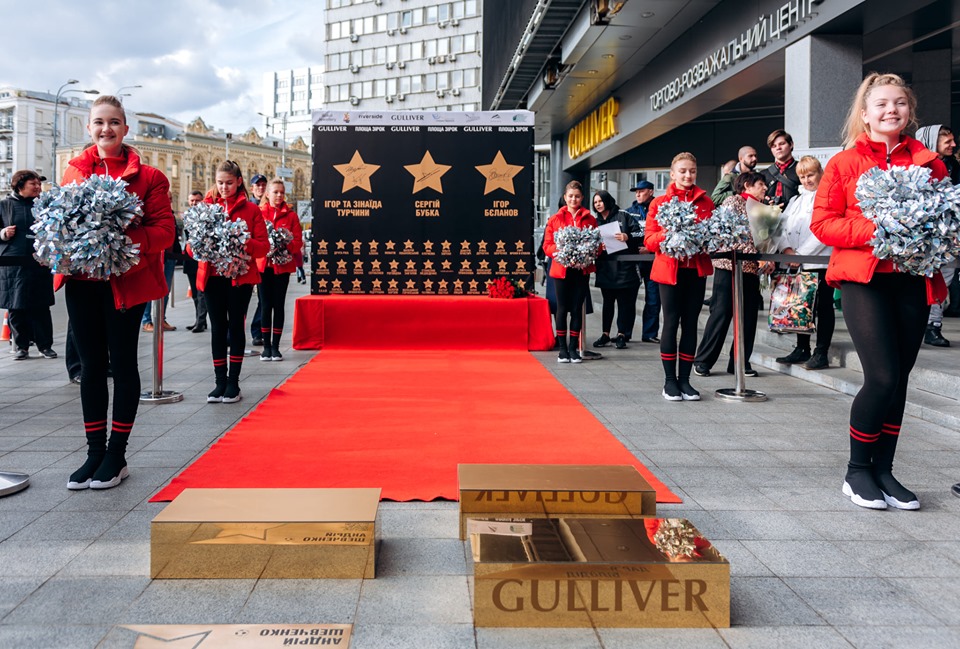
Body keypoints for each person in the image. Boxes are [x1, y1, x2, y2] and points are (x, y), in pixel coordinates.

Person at [811, 72, 948, 511]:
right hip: (863, 279)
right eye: (883, 104)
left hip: (912, 278)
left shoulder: (930, 162)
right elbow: (823, 223)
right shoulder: (844, 163)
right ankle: (857, 471)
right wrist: (880, 227)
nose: (892, 110)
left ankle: (885, 469)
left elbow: (946, 220)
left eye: (901, 103)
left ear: (910, 110)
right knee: (882, 376)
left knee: (900, 381)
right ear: (865, 114)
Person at [60, 95, 175, 490]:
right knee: (91, 367)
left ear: (126, 129)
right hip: (82, 284)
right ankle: (94, 452)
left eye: (114, 122)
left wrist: (121, 237)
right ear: (88, 128)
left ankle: (117, 454)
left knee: (123, 365)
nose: (105, 128)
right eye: (98, 122)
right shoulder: (72, 172)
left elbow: (164, 232)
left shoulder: (151, 177)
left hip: (126, 283)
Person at [645, 152, 714, 401]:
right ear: (672, 174)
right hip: (669, 272)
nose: (688, 175)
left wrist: (707, 241)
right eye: (683, 171)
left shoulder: (706, 202)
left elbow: (712, 236)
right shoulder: (659, 203)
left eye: (692, 171)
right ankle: (669, 382)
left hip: (695, 271)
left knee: (690, 325)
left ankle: (685, 381)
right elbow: (650, 240)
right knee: (671, 323)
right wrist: (672, 234)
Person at [198, 161, 269, 404]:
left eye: (229, 182)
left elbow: (263, 247)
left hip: (240, 279)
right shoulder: (208, 206)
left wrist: (242, 241)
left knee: (235, 327)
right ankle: (219, 382)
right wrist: (197, 245)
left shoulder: (251, 210)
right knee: (217, 328)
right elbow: (192, 244)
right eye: (220, 183)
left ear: (239, 181)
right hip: (213, 277)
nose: (224, 187)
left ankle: (233, 383)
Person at [694, 172, 770, 379]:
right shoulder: (733, 201)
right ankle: (703, 360)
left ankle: (739, 362)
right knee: (721, 314)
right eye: (761, 184)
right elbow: (725, 233)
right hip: (728, 266)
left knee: (748, 318)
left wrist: (769, 257)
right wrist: (755, 252)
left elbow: (768, 240)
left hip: (751, 269)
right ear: (747, 185)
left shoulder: (765, 210)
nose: (765, 188)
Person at [776, 156, 834, 370]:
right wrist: (787, 250)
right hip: (795, 261)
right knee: (800, 305)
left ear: (820, 173)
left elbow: (824, 230)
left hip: (818, 260)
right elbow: (782, 226)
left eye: (810, 174)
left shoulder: (827, 198)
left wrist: (800, 254)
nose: (807, 180)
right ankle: (802, 347)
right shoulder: (795, 200)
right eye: (802, 176)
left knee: (822, 308)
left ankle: (821, 351)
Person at [0, 170, 56, 361]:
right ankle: (21, 347)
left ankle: (45, 346)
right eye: (34, 184)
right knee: (15, 306)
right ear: (19, 185)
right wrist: (3, 233)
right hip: (12, 262)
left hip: (38, 260)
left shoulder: (43, 206)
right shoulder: (4, 205)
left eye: (39, 184)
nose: (38, 187)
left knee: (41, 305)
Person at [543, 180, 598, 363]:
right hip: (561, 270)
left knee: (576, 308)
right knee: (562, 308)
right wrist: (559, 253)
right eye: (570, 196)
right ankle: (563, 350)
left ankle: (574, 348)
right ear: (565, 197)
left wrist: (593, 251)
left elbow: (596, 244)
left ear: (582, 198)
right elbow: (547, 245)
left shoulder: (590, 219)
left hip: (581, 270)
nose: (573, 199)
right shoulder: (554, 219)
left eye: (577, 196)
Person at [915, 123, 958, 347]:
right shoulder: (921, 167)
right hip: (925, 235)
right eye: (947, 141)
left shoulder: (953, 166)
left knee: (945, 278)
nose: (953, 145)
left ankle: (933, 326)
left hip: (949, 234)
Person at [257, 178, 303, 361]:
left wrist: (284, 244)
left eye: (282, 192)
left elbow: (297, 242)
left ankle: (276, 347)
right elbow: (252, 237)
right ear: (267, 194)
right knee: (265, 306)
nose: (279, 195)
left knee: (279, 305)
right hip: (264, 267)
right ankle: (266, 347)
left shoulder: (291, 215)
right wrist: (265, 247)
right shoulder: (259, 213)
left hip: (282, 268)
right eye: (275, 192)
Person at [591, 189, 641, 349]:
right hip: (606, 268)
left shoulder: (623, 215)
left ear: (607, 200)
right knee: (607, 303)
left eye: (600, 201)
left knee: (624, 303)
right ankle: (605, 334)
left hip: (625, 267)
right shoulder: (594, 221)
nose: (598, 204)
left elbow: (640, 233)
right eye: (595, 202)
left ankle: (621, 334)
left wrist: (627, 236)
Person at [625, 179, 661, 342]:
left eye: (641, 191)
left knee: (653, 298)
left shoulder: (661, 210)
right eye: (636, 191)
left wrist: (650, 248)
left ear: (651, 192)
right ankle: (623, 334)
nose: (638, 194)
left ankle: (650, 334)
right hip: (633, 261)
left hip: (653, 260)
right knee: (628, 298)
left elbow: (663, 233)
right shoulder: (628, 212)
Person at [182, 191, 208, 333]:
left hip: (201, 259)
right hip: (190, 260)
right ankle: (198, 320)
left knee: (201, 293)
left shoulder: (206, 217)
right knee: (195, 295)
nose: (194, 203)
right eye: (192, 200)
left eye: (197, 200)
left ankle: (201, 321)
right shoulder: (186, 217)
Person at [248, 174, 268, 345]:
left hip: (263, 260)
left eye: (263, 185)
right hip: (247, 260)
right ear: (251, 188)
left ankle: (257, 331)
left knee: (263, 299)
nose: (261, 188)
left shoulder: (269, 207)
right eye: (258, 185)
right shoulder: (248, 206)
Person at [761, 129, 800, 207]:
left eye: (781, 144)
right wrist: (765, 200)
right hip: (769, 217)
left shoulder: (802, 168)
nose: (778, 148)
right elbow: (757, 197)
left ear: (791, 144)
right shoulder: (764, 174)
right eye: (774, 146)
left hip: (796, 215)